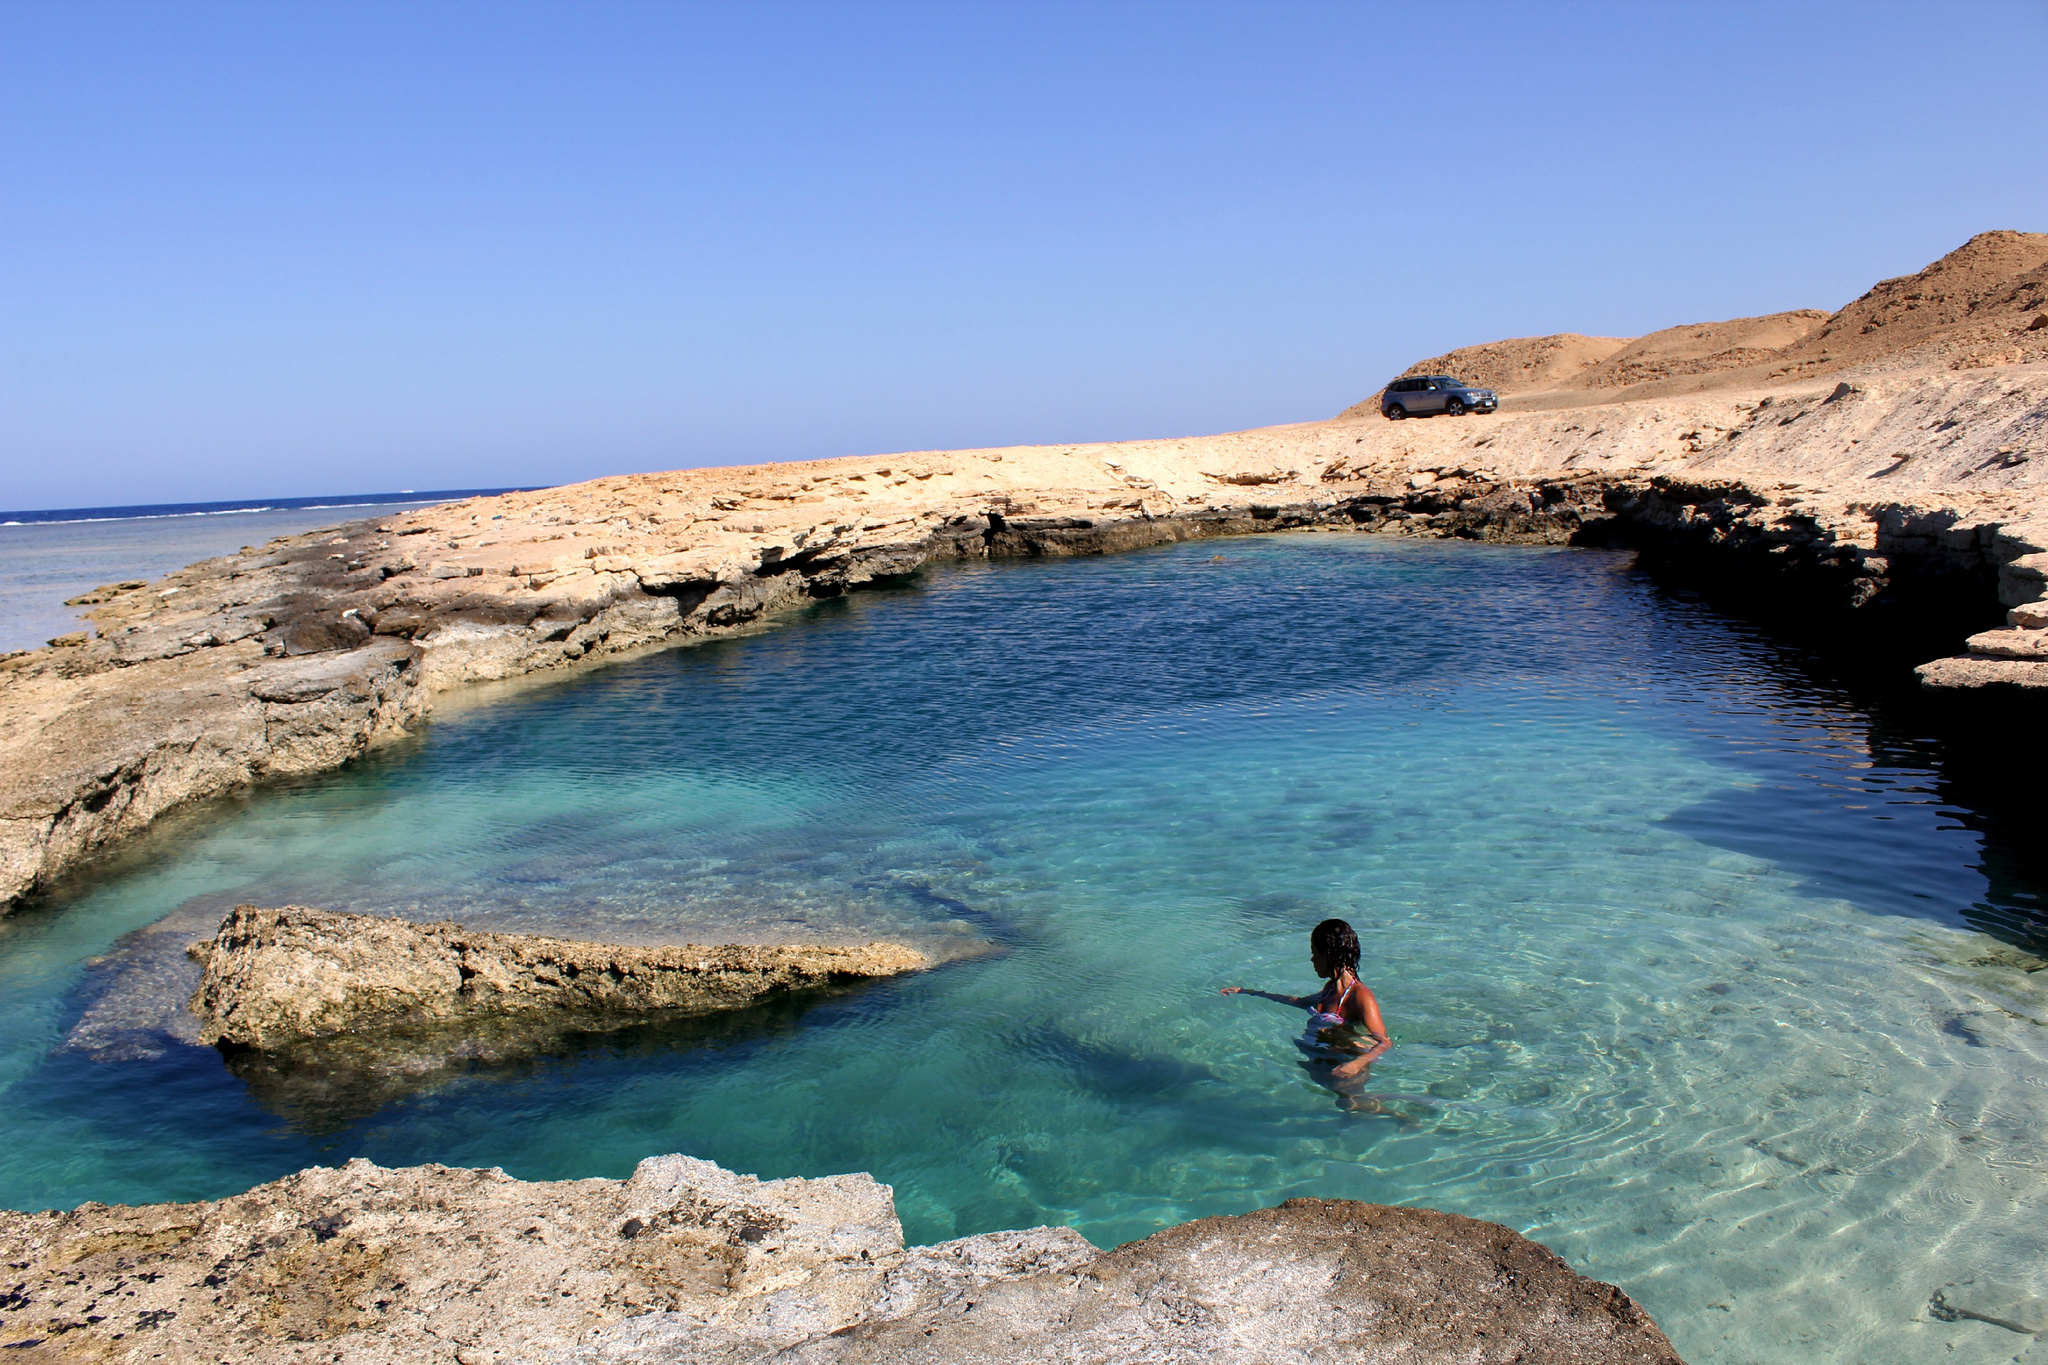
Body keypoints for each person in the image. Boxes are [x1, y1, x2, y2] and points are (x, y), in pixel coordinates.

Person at [1221, 918, 1391, 1083]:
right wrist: (1248, 992)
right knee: (1350, 1107)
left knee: (1354, 1107)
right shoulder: (1330, 989)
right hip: (1327, 1061)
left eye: (1314, 954)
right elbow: (1297, 1002)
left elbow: (1384, 1041)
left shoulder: (1360, 995)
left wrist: (1356, 1064)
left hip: (1346, 1066)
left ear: (1328, 955)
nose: (1312, 960)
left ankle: (1406, 1110)